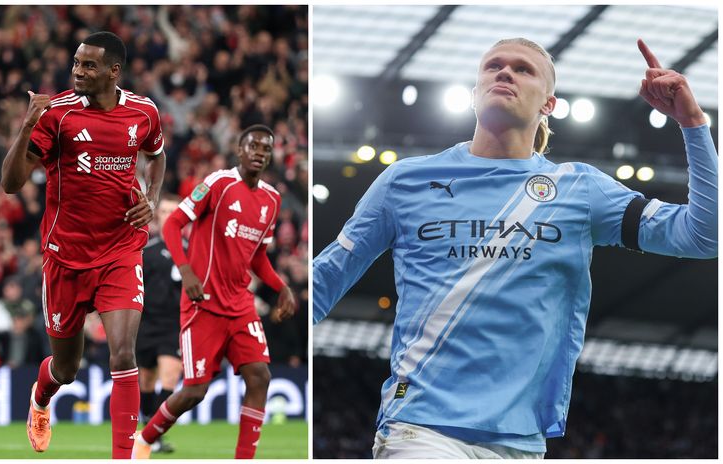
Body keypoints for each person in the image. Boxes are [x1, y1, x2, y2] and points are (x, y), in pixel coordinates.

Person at [313, 38, 717, 459]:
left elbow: (705, 236)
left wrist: (692, 123)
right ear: (474, 95)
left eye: (523, 69)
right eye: (493, 66)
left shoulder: (580, 189)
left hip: (520, 444)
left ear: (549, 104)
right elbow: (329, 274)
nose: (504, 73)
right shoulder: (405, 181)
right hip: (421, 430)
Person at [0, 31, 166, 458]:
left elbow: (157, 153)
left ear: (114, 71)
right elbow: (11, 184)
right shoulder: (57, 114)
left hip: (122, 249)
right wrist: (27, 125)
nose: (77, 71)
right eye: (76, 63)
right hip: (66, 256)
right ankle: (40, 399)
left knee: (123, 353)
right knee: (66, 369)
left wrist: (153, 197)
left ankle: (123, 456)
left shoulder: (144, 112)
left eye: (88, 65)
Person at [132, 124, 297, 459]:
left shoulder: (271, 199)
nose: (259, 153)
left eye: (265, 148)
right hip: (202, 304)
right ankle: (145, 438)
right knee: (194, 391)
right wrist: (186, 270)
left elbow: (259, 256)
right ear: (239, 150)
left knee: (260, 376)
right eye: (253, 146)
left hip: (240, 305)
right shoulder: (218, 183)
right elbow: (172, 223)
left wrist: (281, 287)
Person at [136, 193, 184, 454]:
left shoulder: (191, 250)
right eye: (164, 211)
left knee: (169, 378)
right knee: (146, 381)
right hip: (147, 324)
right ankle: (149, 430)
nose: (168, 216)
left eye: (173, 212)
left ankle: (153, 436)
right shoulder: (147, 250)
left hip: (174, 324)